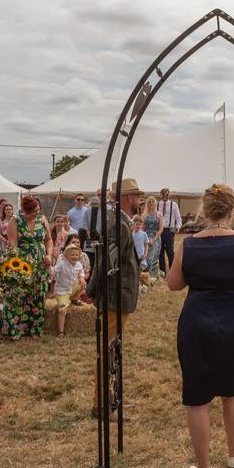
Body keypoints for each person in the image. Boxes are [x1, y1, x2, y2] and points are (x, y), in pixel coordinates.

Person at [168, 183, 234, 468]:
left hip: (197, 322)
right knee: (232, 391)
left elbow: (173, 284)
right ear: (233, 210)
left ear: (204, 210)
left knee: (197, 396)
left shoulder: (188, 245)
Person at [86, 178, 142, 419]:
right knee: (107, 351)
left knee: (112, 349)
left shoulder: (121, 222)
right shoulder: (118, 224)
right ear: (128, 198)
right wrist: (91, 290)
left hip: (118, 296)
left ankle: (111, 398)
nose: (139, 201)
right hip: (114, 297)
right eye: (137, 196)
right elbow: (107, 263)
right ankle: (102, 405)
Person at [4, 195, 53, 340]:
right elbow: (13, 243)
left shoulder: (42, 219)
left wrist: (49, 255)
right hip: (22, 262)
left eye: (38, 210)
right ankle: (15, 330)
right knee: (18, 294)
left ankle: (34, 328)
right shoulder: (15, 220)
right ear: (24, 211)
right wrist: (18, 264)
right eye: (33, 212)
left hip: (41, 263)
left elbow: (49, 239)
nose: (36, 213)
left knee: (37, 295)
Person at [50, 243, 86, 337]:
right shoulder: (62, 264)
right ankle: (61, 332)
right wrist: (48, 267)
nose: (74, 256)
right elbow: (53, 271)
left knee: (83, 284)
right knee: (62, 310)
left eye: (76, 255)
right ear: (66, 256)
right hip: (62, 291)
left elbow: (81, 273)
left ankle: (74, 298)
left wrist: (82, 278)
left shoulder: (78, 264)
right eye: (72, 254)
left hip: (72, 288)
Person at [158, 188, 182, 274]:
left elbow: (178, 217)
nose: (165, 196)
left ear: (169, 195)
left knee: (170, 251)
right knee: (160, 251)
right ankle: (162, 271)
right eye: (163, 194)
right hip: (160, 230)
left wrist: (178, 227)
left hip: (170, 229)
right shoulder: (157, 204)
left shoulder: (174, 204)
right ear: (160, 195)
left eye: (167, 194)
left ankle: (172, 270)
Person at [142, 196, 164, 280]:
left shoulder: (159, 214)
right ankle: (146, 276)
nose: (151, 203)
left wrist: (154, 239)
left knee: (154, 257)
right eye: (149, 202)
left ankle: (153, 277)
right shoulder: (144, 215)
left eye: (153, 201)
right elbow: (142, 228)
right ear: (147, 204)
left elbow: (161, 229)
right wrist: (144, 239)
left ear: (155, 203)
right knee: (146, 256)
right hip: (146, 237)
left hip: (156, 238)